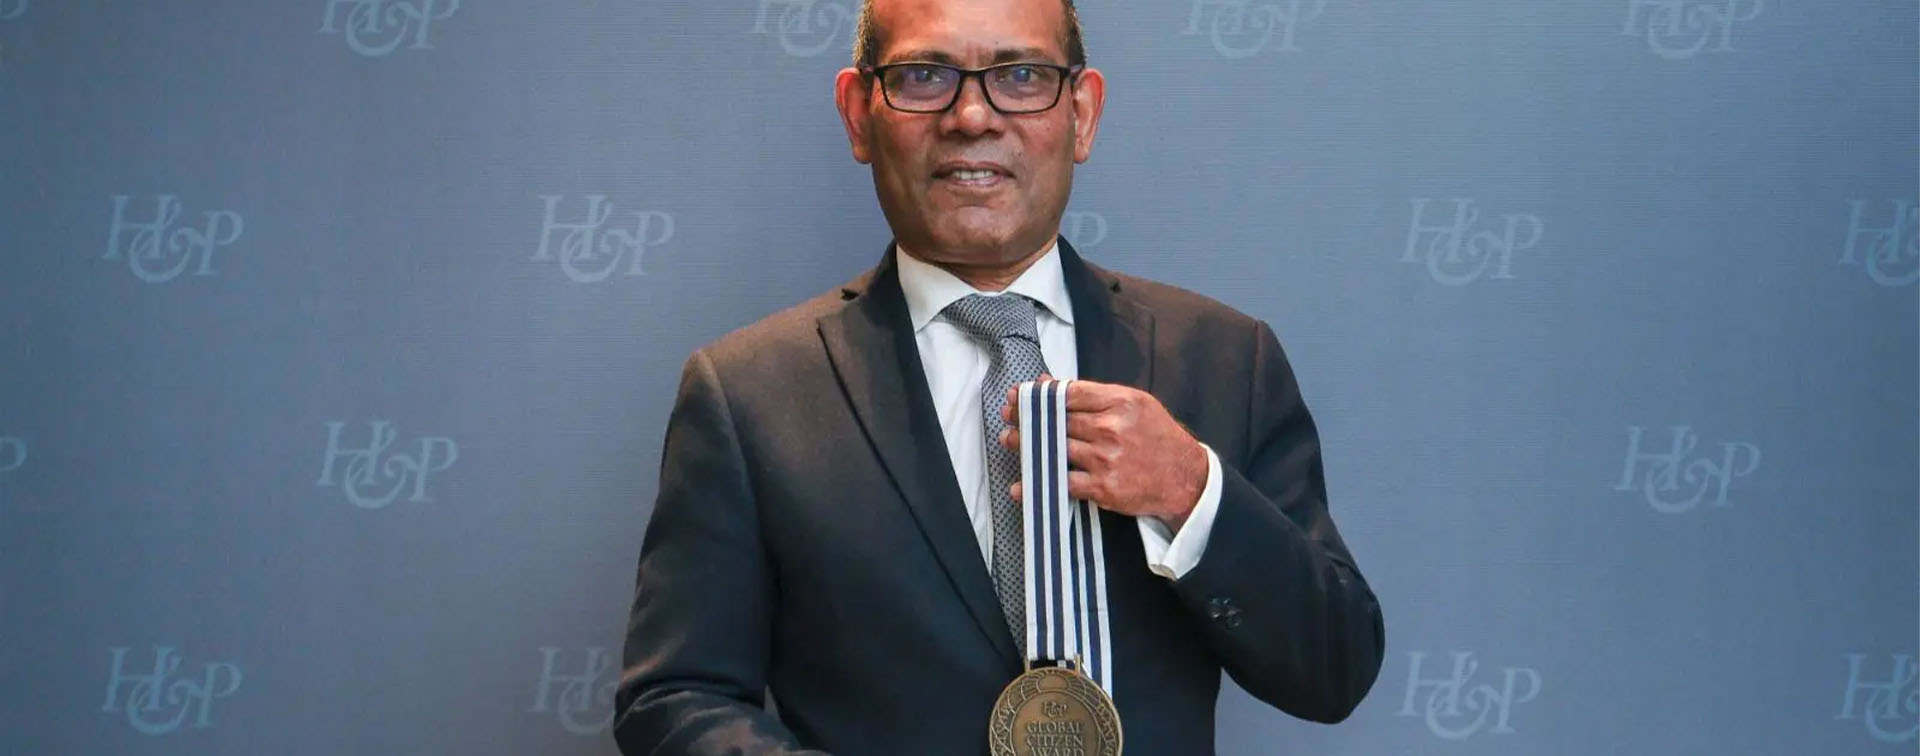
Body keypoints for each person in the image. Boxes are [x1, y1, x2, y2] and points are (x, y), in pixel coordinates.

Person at [613, 0, 1385, 752]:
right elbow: (676, 698)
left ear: (1083, 114)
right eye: (923, 76)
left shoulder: (1226, 359)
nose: (972, 117)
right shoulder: (747, 395)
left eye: (1020, 76)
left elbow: (1334, 670)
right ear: (858, 112)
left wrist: (1190, 491)